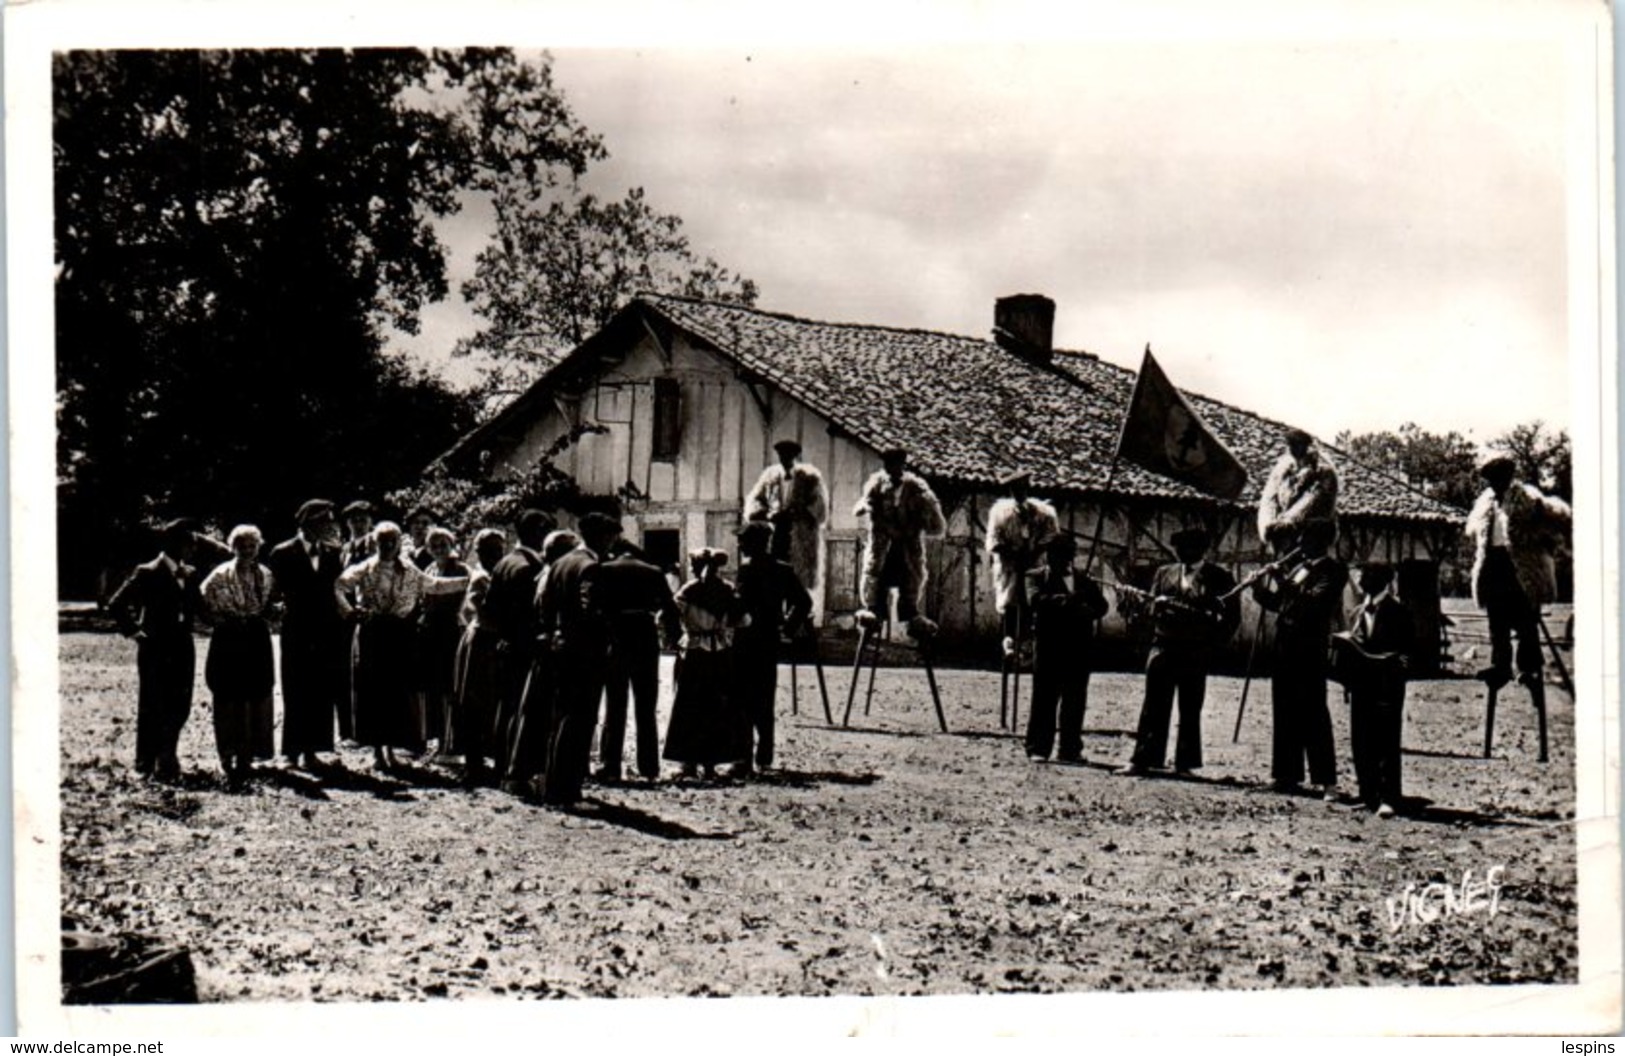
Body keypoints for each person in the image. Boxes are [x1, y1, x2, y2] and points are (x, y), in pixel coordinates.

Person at [334, 522, 468, 771]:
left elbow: (434, 585)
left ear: (398, 543)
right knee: (374, 691)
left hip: (399, 635)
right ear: (375, 543)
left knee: (396, 691)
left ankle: (391, 750)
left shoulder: (409, 569)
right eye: (382, 541)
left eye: (392, 541)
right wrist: (351, 612)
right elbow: (340, 586)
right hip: (372, 633)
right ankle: (376, 751)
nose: (387, 546)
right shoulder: (365, 568)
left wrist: (468, 580)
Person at [1118, 527, 1240, 776]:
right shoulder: (1165, 573)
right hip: (1163, 645)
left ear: (1201, 549)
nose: (1182, 552)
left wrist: (1212, 645)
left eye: (1188, 547)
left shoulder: (1219, 576)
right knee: (1153, 705)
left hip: (1195, 651)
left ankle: (1185, 764)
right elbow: (1150, 609)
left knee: (1190, 707)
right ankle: (1144, 759)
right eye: (1179, 548)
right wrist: (1156, 606)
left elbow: (1231, 617)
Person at [1252, 518, 1347, 800]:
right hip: (1285, 646)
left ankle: (1327, 780)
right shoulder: (1298, 568)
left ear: (1321, 541)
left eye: (1306, 539)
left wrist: (1281, 579)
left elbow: (1314, 603)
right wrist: (1259, 590)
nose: (1300, 544)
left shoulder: (1333, 570)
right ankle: (1285, 775)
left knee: (1314, 712)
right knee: (1284, 709)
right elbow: (1282, 603)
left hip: (1310, 648)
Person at [1464, 453, 1571, 694]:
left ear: (1508, 477)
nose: (1495, 484)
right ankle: (1500, 666)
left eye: (1499, 479)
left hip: (1521, 566)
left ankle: (1529, 668)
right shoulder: (1486, 503)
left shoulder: (1526, 498)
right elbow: (1475, 532)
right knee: (1497, 622)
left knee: (1525, 622)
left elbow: (1553, 522)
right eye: (1491, 480)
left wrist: (1540, 535)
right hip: (1494, 566)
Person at [107, 518, 203, 781]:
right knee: (153, 704)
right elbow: (116, 604)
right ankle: (146, 763)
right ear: (175, 544)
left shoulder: (190, 574)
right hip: (156, 647)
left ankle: (168, 755)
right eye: (189, 543)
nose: (193, 548)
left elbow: (201, 608)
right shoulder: (147, 571)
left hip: (184, 645)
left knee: (180, 703)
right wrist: (135, 632)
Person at [540, 512, 623, 806]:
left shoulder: (560, 563)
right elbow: (592, 611)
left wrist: (553, 633)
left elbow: (545, 605)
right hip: (584, 653)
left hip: (560, 648)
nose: (613, 543)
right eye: (612, 536)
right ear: (600, 536)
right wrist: (606, 639)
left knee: (561, 719)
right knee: (580, 721)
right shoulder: (590, 567)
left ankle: (553, 788)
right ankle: (569, 791)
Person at [264, 499, 348, 765]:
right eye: (325, 520)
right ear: (309, 522)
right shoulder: (282, 552)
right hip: (296, 629)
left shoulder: (334, 554)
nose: (330, 525)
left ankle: (313, 750)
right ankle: (292, 751)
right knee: (296, 686)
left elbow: (337, 592)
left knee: (321, 688)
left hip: (325, 630)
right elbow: (272, 591)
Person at [592, 539, 681, 783]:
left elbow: (595, 607)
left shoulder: (605, 570)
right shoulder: (653, 572)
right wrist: (674, 637)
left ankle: (610, 766)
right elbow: (671, 610)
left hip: (616, 635)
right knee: (646, 705)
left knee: (615, 704)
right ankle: (649, 767)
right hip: (645, 636)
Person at [501, 528, 580, 796]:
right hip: (550, 652)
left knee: (531, 713)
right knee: (543, 715)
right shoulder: (554, 577)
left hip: (540, 650)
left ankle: (520, 775)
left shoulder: (544, 574)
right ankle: (539, 776)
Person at [731, 520, 813, 777]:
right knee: (763, 699)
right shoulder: (782, 570)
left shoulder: (749, 571)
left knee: (744, 700)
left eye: (743, 540)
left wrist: (786, 629)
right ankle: (762, 758)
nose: (739, 544)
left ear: (755, 543)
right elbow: (803, 603)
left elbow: (803, 602)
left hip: (749, 641)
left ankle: (744, 760)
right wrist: (787, 629)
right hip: (765, 641)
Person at [200, 525, 277, 787]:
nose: (247, 551)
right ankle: (227, 755)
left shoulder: (265, 574)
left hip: (255, 638)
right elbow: (202, 604)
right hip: (229, 639)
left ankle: (248, 755)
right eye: (242, 546)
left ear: (258, 548)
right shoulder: (220, 575)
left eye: (252, 546)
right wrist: (220, 621)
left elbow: (268, 606)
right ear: (233, 547)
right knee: (228, 694)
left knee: (255, 693)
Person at [1023, 534, 1110, 763]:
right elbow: (1036, 601)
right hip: (1048, 646)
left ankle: (1070, 750)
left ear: (1072, 556)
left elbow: (1102, 606)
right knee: (1044, 698)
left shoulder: (1084, 580)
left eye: (1066, 554)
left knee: (1075, 700)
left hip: (1078, 648)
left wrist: (1087, 612)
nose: (1061, 559)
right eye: (1055, 554)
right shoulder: (1035, 577)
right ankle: (1039, 749)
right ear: (1048, 555)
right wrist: (1068, 601)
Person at [481, 509, 556, 769]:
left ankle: (502, 760)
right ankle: (519, 765)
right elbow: (531, 614)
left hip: (505, 644)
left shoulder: (505, 562)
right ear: (537, 533)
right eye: (546, 531)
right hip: (524, 646)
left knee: (506, 704)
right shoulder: (531, 568)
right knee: (526, 707)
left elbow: (489, 609)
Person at [1339, 562, 1413, 818]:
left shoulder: (1399, 612)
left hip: (1387, 685)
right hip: (1361, 684)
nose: (1362, 580)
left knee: (1386, 741)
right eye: (1361, 575)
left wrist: (1396, 664)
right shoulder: (1357, 612)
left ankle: (1389, 797)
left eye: (1368, 575)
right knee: (1361, 739)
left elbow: (1408, 651)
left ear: (1383, 580)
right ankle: (1368, 794)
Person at [663, 549, 743, 780]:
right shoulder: (727, 590)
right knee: (716, 706)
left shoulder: (689, 590)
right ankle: (711, 763)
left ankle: (688, 762)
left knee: (689, 706)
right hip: (719, 650)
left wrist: (676, 634)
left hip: (694, 650)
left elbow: (667, 614)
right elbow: (744, 618)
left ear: (695, 567)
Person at [853, 447, 946, 640]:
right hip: (882, 548)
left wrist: (921, 518)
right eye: (888, 466)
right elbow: (862, 504)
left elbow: (937, 525)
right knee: (875, 581)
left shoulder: (917, 489)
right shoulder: (877, 485)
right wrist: (867, 507)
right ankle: (874, 613)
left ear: (902, 466)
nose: (891, 470)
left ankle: (911, 615)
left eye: (895, 465)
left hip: (906, 549)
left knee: (909, 583)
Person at [448, 529, 509, 787]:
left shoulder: (499, 574)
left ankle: (490, 756)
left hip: (492, 641)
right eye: (487, 550)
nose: (493, 555)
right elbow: (477, 610)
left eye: (497, 550)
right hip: (481, 641)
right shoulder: (481, 577)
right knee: (474, 700)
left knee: (492, 700)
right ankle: (474, 762)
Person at [984, 471, 1060, 657]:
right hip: (1010, 568)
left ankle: (1028, 646)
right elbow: (993, 540)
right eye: (1015, 489)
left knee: (1032, 603)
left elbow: (1052, 536)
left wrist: (1034, 551)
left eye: (1022, 488)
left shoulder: (1043, 513)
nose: (1019, 493)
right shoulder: (1000, 513)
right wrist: (1011, 553)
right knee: (1010, 605)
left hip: (1034, 565)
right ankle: (1009, 643)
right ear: (1010, 491)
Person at [743, 438, 829, 597]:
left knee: (799, 577)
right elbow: (754, 501)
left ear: (795, 456)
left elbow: (819, 506)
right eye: (782, 455)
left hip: (800, 533)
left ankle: (799, 612)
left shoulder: (810, 477)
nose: (784, 459)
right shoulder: (770, 476)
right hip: (776, 532)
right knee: (775, 574)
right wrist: (767, 514)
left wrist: (799, 513)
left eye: (788, 455)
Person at [416, 526, 469, 756]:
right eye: (434, 545)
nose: (439, 549)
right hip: (431, 634)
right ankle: (437, 741)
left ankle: (451, 742)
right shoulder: (429, 569)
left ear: (452, 545)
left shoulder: (461, 569)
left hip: (450, 632)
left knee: (450, 688)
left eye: (443, 544)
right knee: (433, 688)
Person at [1257, 428, 1339, 556]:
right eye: (1290, 445)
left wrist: (1289, 520)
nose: (1292, 449)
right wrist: (1269, 524)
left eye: (1296, 445)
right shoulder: (1282, 471)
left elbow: (1313, 498)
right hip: (1285, 534)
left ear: (1305, 447)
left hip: (1313, 533)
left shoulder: (1323, 471)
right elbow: (1270, 498)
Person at [340, 501, 377, 569]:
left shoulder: (375, 545)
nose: (358, 525)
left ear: (371, 522)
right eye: (354, 521)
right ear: (347, 523)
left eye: (363, 520)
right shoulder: (345, 549)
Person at [404, 506, 439, 570]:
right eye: (416, 522)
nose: (420, 526)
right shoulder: (402, 549)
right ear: (410, 526)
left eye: (425, 523)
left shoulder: (437, 552)